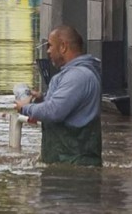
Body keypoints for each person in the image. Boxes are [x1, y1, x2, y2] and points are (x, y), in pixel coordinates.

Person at [14, 25, 102, 166]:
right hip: (65, 164)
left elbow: (54, 111)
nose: (48, 51)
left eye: (50, 45)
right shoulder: (72, 75)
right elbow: (62, 107)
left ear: (63, 47)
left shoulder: (77, 76)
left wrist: (25, 108)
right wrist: (42, 99)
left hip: (75, 168)